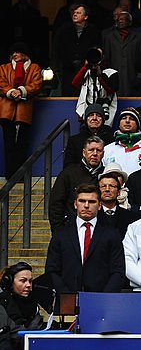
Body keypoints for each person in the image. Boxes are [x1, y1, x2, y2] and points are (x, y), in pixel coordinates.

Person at [44, 183, 127, 293]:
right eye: (82, 201)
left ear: (99, 205)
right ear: (75, 204)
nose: (86, 205)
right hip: (66, 300)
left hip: (101, 299)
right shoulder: (61, 234)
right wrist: (65, 295)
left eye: (92, 202)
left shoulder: (111, 234)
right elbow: (52, 269)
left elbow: (118, 270)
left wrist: (104, 296)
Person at [0, 42, 43, 177]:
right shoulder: (4, 68)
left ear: (25, 54)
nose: (14, 55)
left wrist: (22, 91)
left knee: (22, 143)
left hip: (24, 111)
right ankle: (10, 174)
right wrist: (11, 91)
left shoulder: (34, 68)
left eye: (17, 52)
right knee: (9, 143)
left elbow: (37, 84)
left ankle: (19, 174)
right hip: (7, 111)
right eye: (13, 53)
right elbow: (1, 83)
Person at [0, 262, 46, 350]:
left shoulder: (33, 304)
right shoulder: (3, 305)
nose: (28, 285)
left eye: (30, 281)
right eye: (23, 281)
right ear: (10, 282)